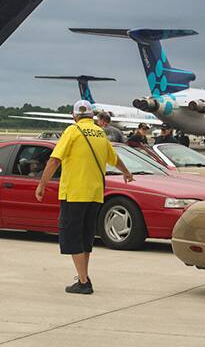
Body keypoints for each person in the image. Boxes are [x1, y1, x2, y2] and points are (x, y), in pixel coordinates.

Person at [34, 100, 134, 295]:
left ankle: (83, 281)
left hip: (74, 192)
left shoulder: (72, 131)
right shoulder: (100, 133)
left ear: (74, 116)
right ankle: (84, 276)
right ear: (92, 116)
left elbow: (55, 160)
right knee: (86, 236)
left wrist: (42, 184)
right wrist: (126, 172)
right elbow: (114, 158)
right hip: (95, 193)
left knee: (72, 236)